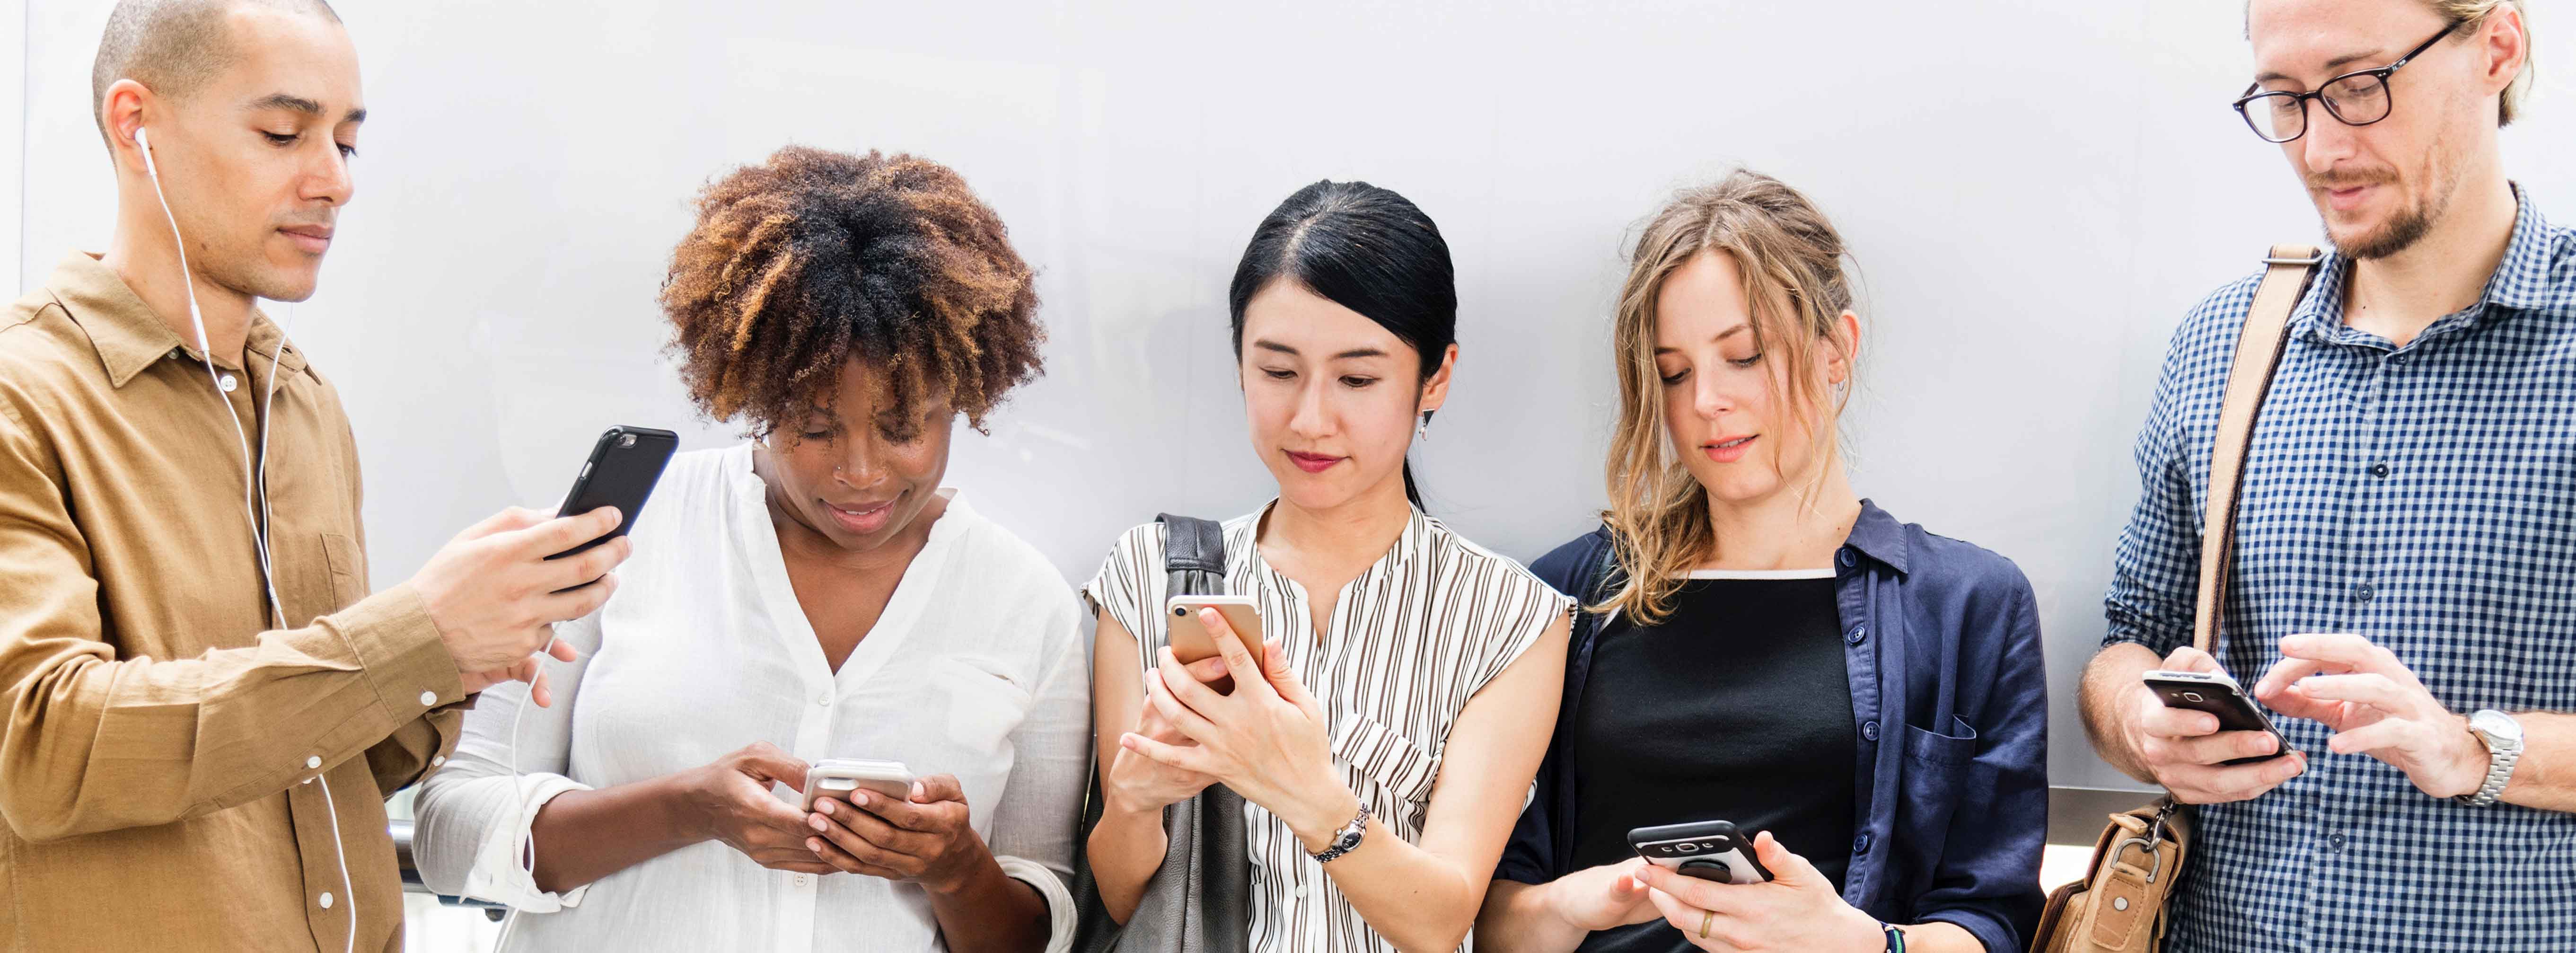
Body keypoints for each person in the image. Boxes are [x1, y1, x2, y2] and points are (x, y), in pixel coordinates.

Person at [0, 2, 631, 950]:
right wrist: (408, 633)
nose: (332, 179)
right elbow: (42, 751)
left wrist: (448, 664)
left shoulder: (303, 404)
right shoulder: (25, 397)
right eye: (284, 132)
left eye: (345, 142)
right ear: (137, 126)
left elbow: (314, 770)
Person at [413, 146, 1087, 953]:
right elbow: (450, 835)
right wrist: (687, 808)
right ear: (753, 394)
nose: (861, 472)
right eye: (813, 427)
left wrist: (956, 868)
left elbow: (1034, 930)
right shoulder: (625, 534)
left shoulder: (1025, 601)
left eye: (905, 426)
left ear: (966, 396)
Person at [2077, 1, 2576, 949]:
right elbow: (2123, 645)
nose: (2318, 148)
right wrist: (2137, 719)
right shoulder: (2219, 344)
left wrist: (2472, 750)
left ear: (2496, 49)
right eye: (2283, 100)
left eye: (2358, 87)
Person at [1475, 171, 2047, 953]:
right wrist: (1577, 905)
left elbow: (1994, 922)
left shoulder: (1968, 603)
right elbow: (1487, 917)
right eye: (1673, 372)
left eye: (1743, 356)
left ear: (1836, 349)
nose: (1706, 398)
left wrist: (1860, 945)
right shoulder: (1565, 597)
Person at [1081, 180, 1573, 953]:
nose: (1310, 418)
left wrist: (1305, 790)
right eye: (1277, 371)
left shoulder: (1512, 615)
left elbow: (1440, 918)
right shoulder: (1148, 573)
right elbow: (1117, 893)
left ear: (1434, 377)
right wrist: (1136, 804)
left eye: (1357, 378)